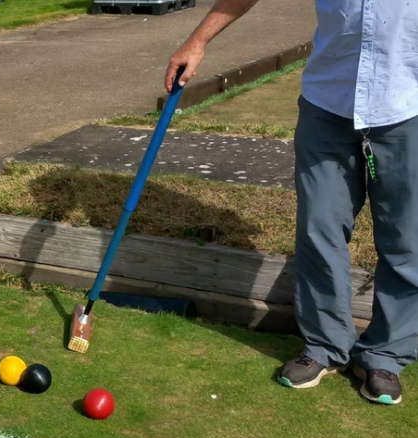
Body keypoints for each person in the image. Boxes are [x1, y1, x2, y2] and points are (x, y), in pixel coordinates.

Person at [166, 1, 418, 405]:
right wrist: (198, 40)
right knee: (319, 228)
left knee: (407, 242)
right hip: (328, 102)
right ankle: (325, 347)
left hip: (407, 104)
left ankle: (385, 354)